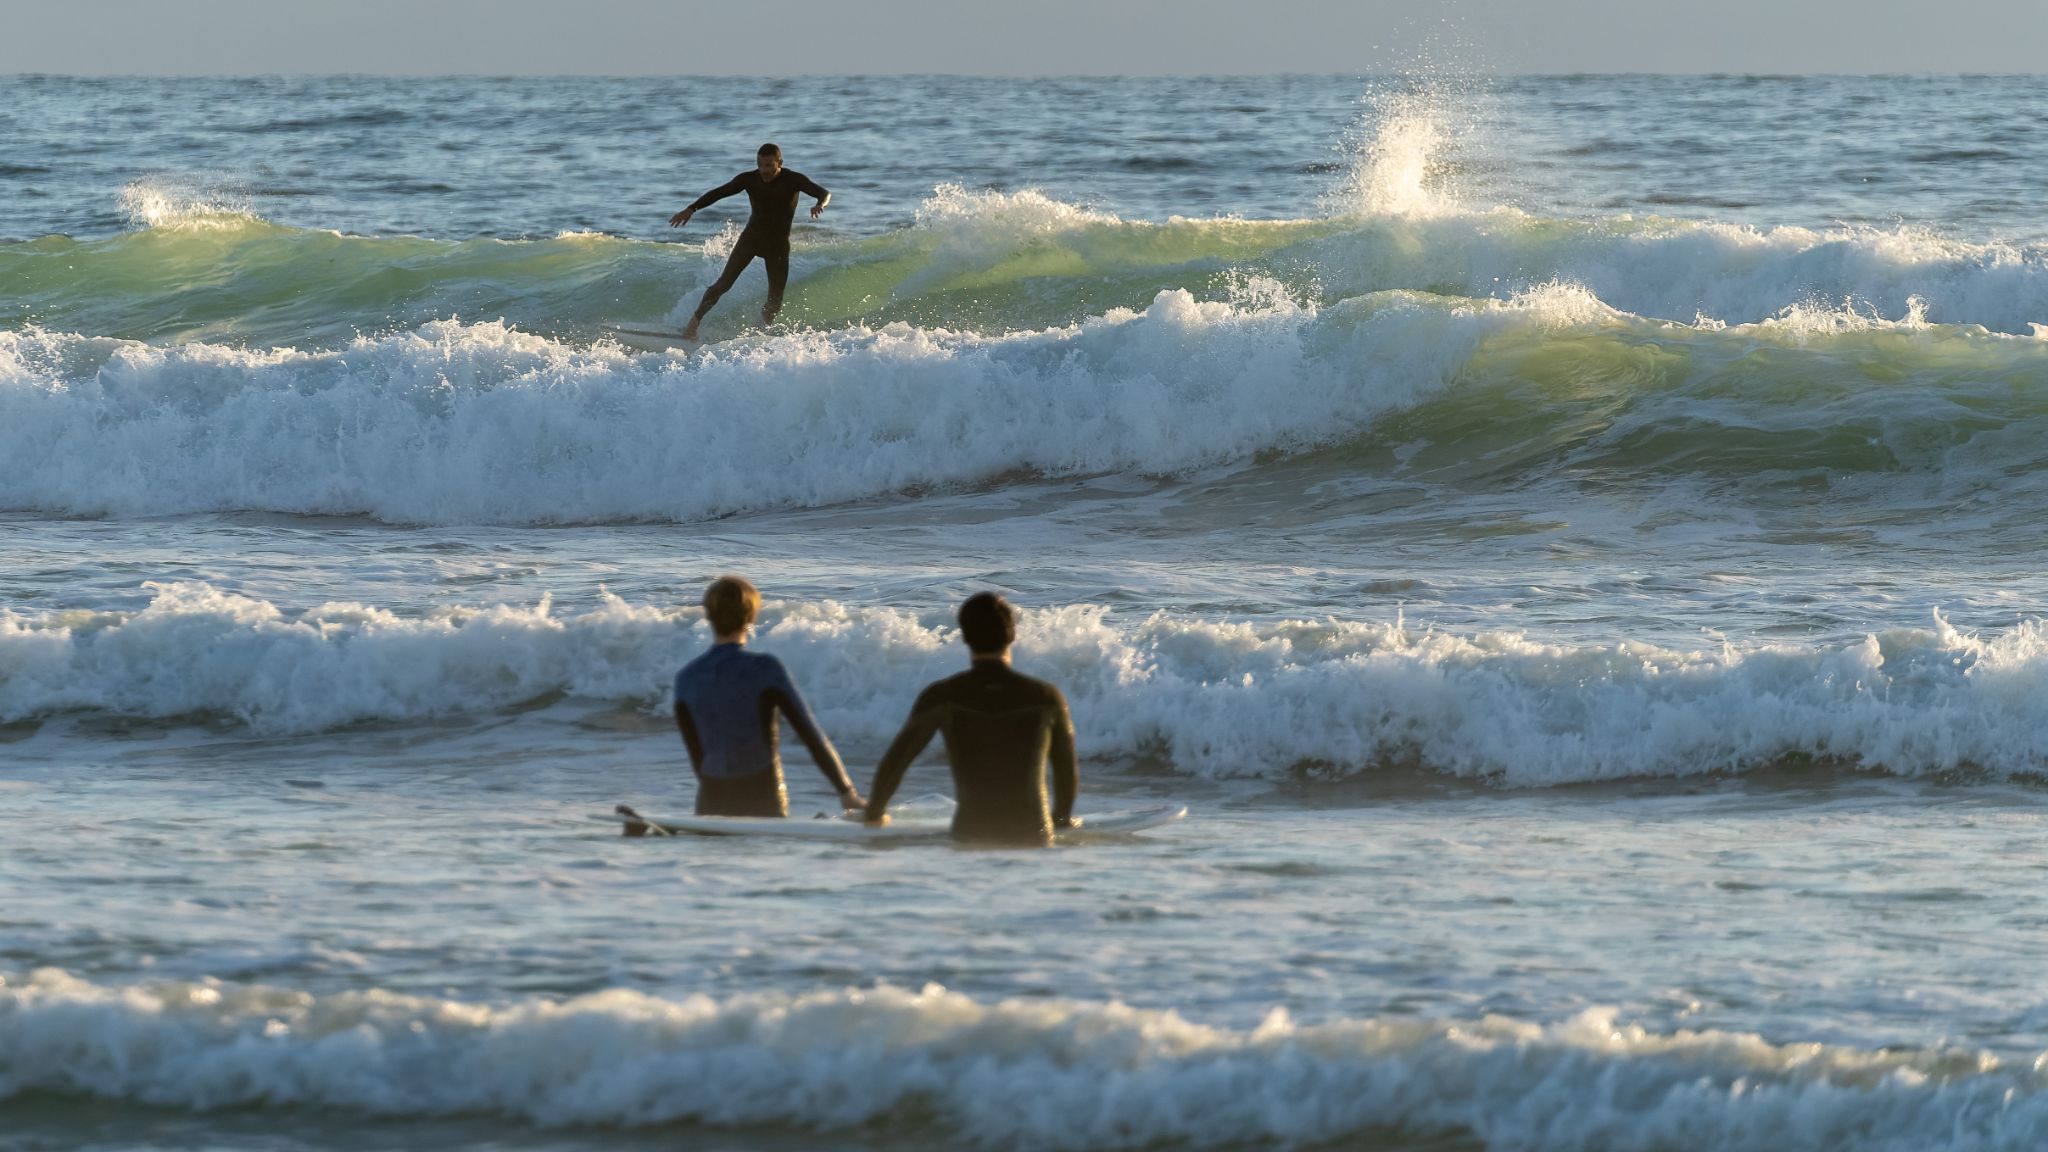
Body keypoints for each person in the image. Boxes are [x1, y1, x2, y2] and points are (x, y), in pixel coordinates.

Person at [864, 593, 1079, 846]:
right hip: (1033, 834)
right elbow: (1066, 772)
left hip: (970, 832)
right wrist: (1061, 819)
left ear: (965, 637)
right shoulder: (1045, 697)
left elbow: (896, 762)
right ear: (1012, 635)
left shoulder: (942, 696)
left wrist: (874, 813)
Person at [672, 575, 863, 818]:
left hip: (711, 797)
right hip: (761, 793)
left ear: (708, 616)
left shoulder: (686, 678)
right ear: (751, 617)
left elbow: (697, 753)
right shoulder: (765, 670)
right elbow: (809, 733)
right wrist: (846, 791)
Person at [668, 143, 830, 341]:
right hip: (751, 239)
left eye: (769, 165)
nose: (764, 170)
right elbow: (719, 192)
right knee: (723, 285)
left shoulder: (793, 180)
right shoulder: (749, 179)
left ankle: (759, 333)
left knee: (775, 300)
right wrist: (691, 209)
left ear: (780, 163)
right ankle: (692, 325)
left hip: (777, 246)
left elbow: (823, 192)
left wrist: (819, 204)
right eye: (761, 165)